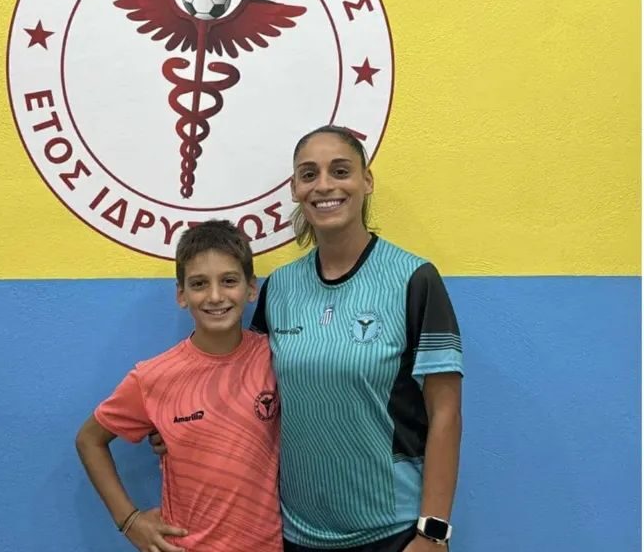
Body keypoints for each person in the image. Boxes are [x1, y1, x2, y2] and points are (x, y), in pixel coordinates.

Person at [151, 125, 464, 552]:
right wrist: (184, 425)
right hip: (296, 532)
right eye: (309, 174)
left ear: (367, 181)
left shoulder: (414, 279)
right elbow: (252, 392)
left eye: (341, 171)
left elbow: (446, 413)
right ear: (296, 189)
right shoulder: (280, 288)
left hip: (393, 530)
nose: (325, 185)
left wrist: (433, 532)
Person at [75, 220, 283, 552]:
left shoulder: (276, 357)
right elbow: (89, 440)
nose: (215, 296)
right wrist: (130, 521)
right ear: (181, 295)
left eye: (229, 281)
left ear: (251, 288)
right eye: (199, 284)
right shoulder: (153, 378)